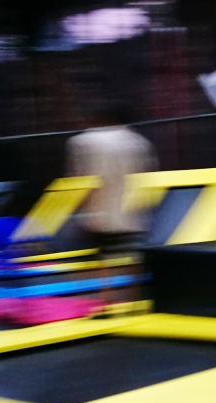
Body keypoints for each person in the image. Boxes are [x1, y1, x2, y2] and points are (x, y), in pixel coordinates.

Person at [65, 102, 157, 312]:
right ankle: (134, 299)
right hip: (131, 211)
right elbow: (146, 174)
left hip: (98, 210)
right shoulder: (138, 141)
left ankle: (103, 301)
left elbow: (82, 177)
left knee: (98, 255)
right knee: (132, 255)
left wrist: (77, 206)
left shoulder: (84, 140)